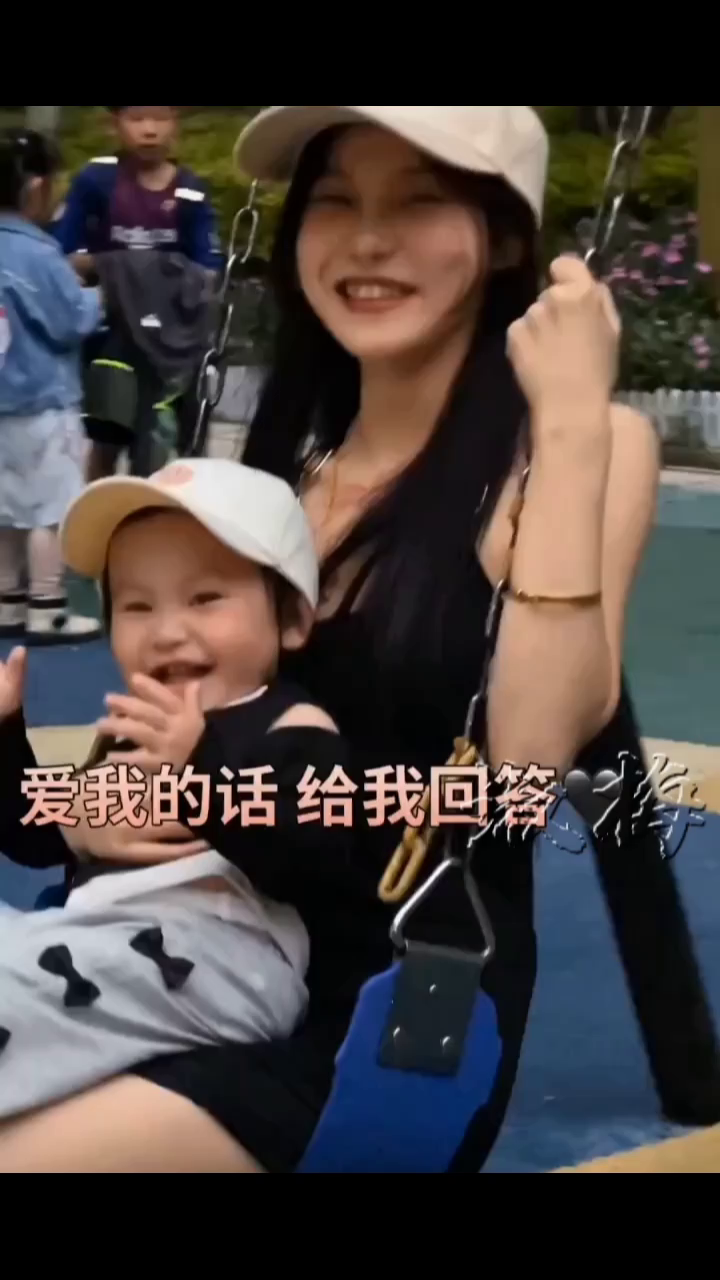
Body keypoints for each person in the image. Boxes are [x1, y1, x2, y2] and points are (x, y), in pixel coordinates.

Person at [0, 106, 664, 1173]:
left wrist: (575, 417)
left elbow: (528, 766)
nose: (367, 239)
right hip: (178, 949)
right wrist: (95, 819)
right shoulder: (277, 480)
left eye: (418, 200)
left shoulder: (572, 449)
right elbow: (194, 728)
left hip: (383, 1002)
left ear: (502, 236)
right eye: (337, 201)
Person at [0, 456, 352, 1120]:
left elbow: (314, 852)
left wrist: (201, 767)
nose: (167, 631)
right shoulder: (134, 729)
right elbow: (40, 834)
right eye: (137, 606)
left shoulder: (293, 725)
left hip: (215, 965)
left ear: (292, 620)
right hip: (97, 944)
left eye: (205, 598)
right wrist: (5, 738)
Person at [51, 107, 223, 482]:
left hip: (171, 342)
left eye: (160, 118)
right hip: (110, 337)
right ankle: (96, 507)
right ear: (114, 124)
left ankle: (150, 508)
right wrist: (146, 270)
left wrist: (118, 266)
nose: (149, 130)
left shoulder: (191, 191)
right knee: (106, 439)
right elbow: (63, 256)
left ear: (175, 124)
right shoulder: (96, 181)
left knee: (161, 445)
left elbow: (208, 270)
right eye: (137, 118)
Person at [0, 128, 103, 645]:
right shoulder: (38, 253)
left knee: (5, 509)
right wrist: (98, 293)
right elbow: (71, 320)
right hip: (43, 402)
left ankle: (6, 601)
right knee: (51, 508)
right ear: (36, 187)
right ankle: (47, 606)